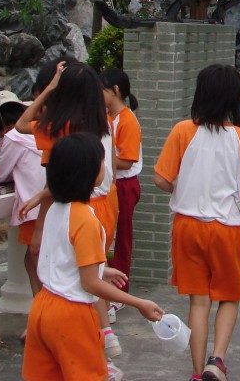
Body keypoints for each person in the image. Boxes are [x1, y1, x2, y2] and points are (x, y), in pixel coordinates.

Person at [22, 132, 164, 381]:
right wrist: (138, 303)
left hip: (42, 308)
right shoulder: (86, 220)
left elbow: (60, 258)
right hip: (72, 314)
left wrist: (101, 269)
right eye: (101, 161)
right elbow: (90, 284)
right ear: (87, 173)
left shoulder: (56, 209)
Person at [154, 64, 240, 381]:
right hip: (225, 229)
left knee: (198, 302)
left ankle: (197, 371)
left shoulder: (182, 131)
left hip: (186, 227)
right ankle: (218, 361)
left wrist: (185, 189)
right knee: (229, 297)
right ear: (234, 98)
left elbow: (161, 179)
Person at [17, 61, 123, 362]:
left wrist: (49, 88)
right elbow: (109, 170)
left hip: (80, 208)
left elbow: (22, 125)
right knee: (91, 275)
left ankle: (96, 345)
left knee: (77, 280)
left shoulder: (61, 127)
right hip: (106, 205)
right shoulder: (102, 123)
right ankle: (106, 336)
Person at [0, 91, 45, 298]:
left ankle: (44, 305)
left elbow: (1, 175)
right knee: (32, 259)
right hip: (49, 202)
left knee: (36, 260)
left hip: (33, 207)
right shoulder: (37, 130)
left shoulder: (12, 138)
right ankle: (39, 304)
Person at [102, 68, 142, 311]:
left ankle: (119, 293)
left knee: (121, 239)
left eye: (102, 90)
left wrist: (101, 158)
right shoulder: (109, 117)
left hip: (125, 184)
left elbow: (127, 160)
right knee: (109, 236)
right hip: (112, 183)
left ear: (115, 91)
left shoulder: (127, 120)